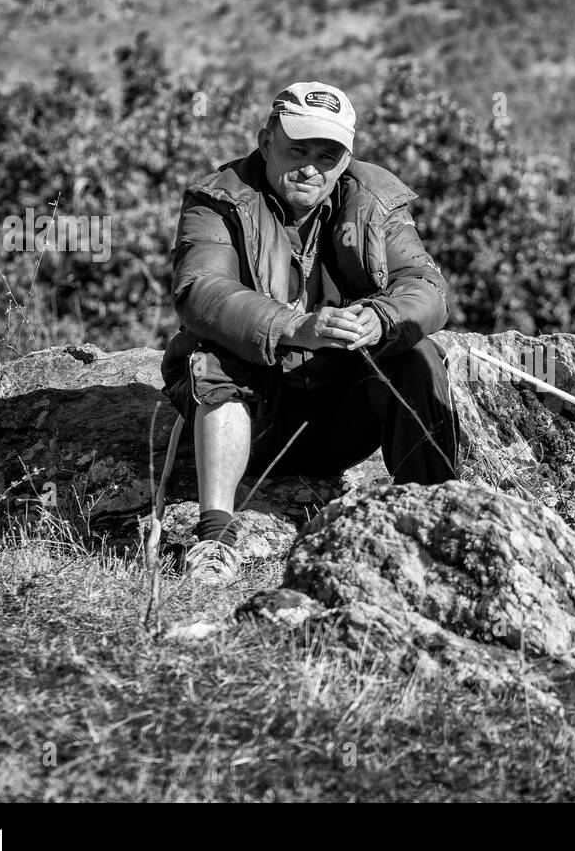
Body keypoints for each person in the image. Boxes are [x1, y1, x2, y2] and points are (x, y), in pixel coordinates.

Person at [161, 81, 457, 581]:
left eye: (328, 153)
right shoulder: (218, 199)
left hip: (341, 414)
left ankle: (440, 526)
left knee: (418, 354)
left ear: (347, 158)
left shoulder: (378, 198)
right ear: (264, 140)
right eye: (297, 149)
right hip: (260, 417)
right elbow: (200, 291)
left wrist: (380, 320)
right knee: (213, 354)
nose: (311, 166)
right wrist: (298, 327)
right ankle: (214, 541)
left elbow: (426, 288)